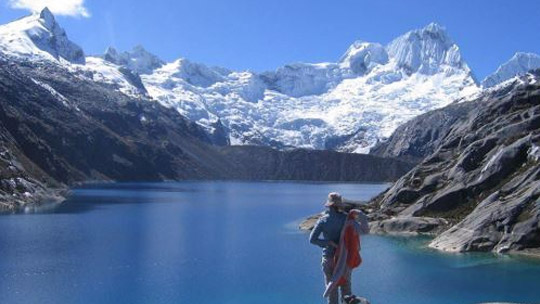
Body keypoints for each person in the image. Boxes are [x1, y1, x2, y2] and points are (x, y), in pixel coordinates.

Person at [310, 192, 369, 304]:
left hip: (328, 258)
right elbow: (363, 230)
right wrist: (359, 214)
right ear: (339, 205)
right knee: (346, 291)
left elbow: (312, 240)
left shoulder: (323, 220)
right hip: (345, 259)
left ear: (329, 205)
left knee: (332, 292)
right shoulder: (346, 219)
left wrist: (328, 243)